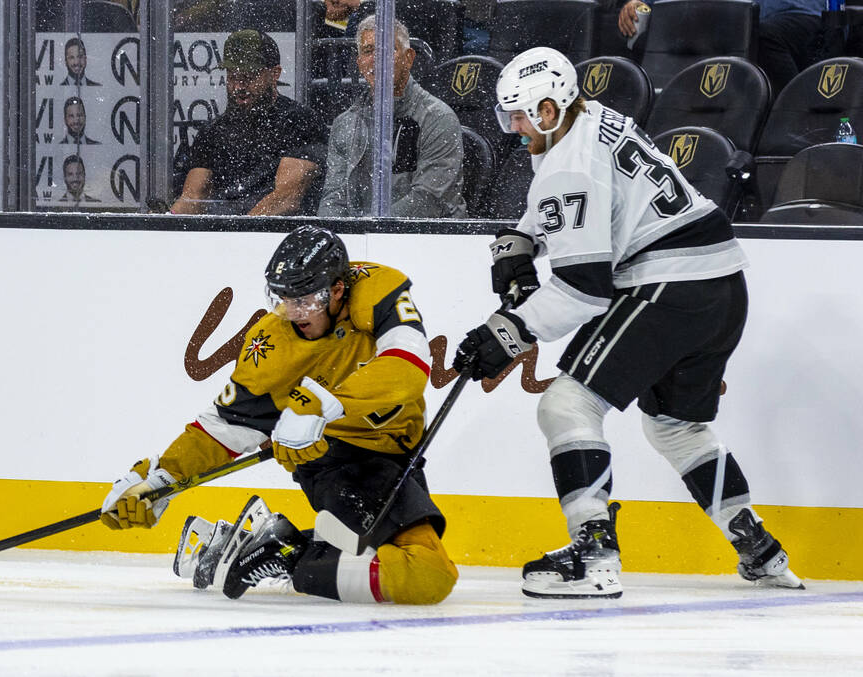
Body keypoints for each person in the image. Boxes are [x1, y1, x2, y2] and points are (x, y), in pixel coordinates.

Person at [451, 47, 803, 599]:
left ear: (549, 110)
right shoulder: (592, 116)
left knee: (566, 405)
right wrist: (521, 240)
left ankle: (594, 556)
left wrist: (506, 332)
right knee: (675, 427)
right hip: (722, 285)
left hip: (670, 286)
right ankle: (759, 549)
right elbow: (590, 198)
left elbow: (585, 289)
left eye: (519, 115)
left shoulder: (565, 165)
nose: (512, 128)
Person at [100, 225, 456, 604]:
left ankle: (249, 546)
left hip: (397, 454)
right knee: (426, 575)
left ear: (338, 290)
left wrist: (321, 404)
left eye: (306, 300)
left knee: (374, 557)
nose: (293, 312)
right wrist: (160, 480)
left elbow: (409, 367)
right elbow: (223, 429)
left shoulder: (378, 288)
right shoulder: (268, 348)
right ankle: (284, 554)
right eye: (284, 299)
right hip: (339, 460)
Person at [318, 15, 468, 219]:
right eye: (368, 51)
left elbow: (428, 201)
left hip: (427, 241)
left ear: (409, 57)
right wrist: (341, 236)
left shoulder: (438, 118)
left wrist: (369, 229)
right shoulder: (345, 122)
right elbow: (333, 198)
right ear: (359, 62)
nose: (376, 59)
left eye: (387, 50)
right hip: (364, 241)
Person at [171, 29, 326, 216]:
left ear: (275, 74)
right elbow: (192, 198)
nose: (239, 87)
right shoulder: (212, 132)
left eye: (249, 77)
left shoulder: (299, 121)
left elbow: (285, 199)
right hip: (228, 234)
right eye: (233, 76)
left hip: (277, 236)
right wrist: (164, 225)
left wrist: (239, 235)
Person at [618, 0, 826, 93]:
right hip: (737, 20)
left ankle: (793, 111)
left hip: (796, 14)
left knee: (763, 34)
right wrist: (640, 3)